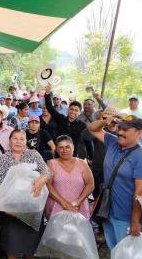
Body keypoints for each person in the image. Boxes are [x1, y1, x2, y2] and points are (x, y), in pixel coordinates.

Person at [0, 130, 50, 259]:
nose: (18, 141)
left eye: (22, 139)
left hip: (31, 206)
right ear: (9, 140)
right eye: (15, 138)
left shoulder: (33, 154)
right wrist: (5, 207)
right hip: (10, 208)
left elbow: (46, 172)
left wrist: (42, 179)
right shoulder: (3, 158)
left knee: (29, 245)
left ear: (26, 141)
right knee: (12, 244)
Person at [88, 114, 142, 250]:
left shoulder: (139, 156)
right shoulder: (112, 142)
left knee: (124, 252)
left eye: (126, 130)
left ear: (139, 133)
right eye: (120, 128)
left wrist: (135, 221)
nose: (120, 132)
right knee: (113, 249)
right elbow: (92, 128)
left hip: (125, 216)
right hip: (107, 210)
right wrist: (105, 122)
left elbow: (139, 192)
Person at [45, 135, 94, 219]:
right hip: (57, 206)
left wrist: (77, 202)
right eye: (61, 147)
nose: (64, 150)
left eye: (67, 147)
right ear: (56, 149)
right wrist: (64, 203)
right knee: (57, 231)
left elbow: (90, 185)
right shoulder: (51, 164)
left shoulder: (82, 163)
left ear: (73, 147)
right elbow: (48, 186)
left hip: (79, 207)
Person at [45, 84, 92, 159]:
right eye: (71, 109)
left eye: (76, 110)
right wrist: (47, 94)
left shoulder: (82, 125)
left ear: (80, 112)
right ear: (68, 110)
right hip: (58, 152)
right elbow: (50, 108)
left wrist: (91, 157)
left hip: (72, 154)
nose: (73, 112)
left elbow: (88, 141)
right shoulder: (60, 118)